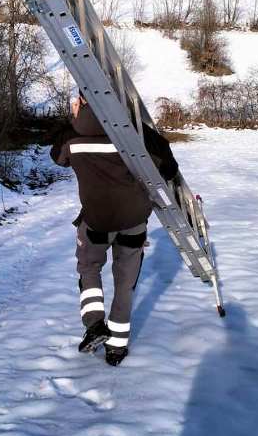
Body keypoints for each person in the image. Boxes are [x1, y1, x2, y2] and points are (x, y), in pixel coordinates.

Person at [50, 93, 179, 366]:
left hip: (97, 220)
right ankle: (116, 349)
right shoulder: (136, 135)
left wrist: (73, 121)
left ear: (81, 103)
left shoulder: (71, 136)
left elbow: (57, 157)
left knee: (88, 268)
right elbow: (169, 169)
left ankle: (95, 325)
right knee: (125, 283)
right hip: (133, 220)